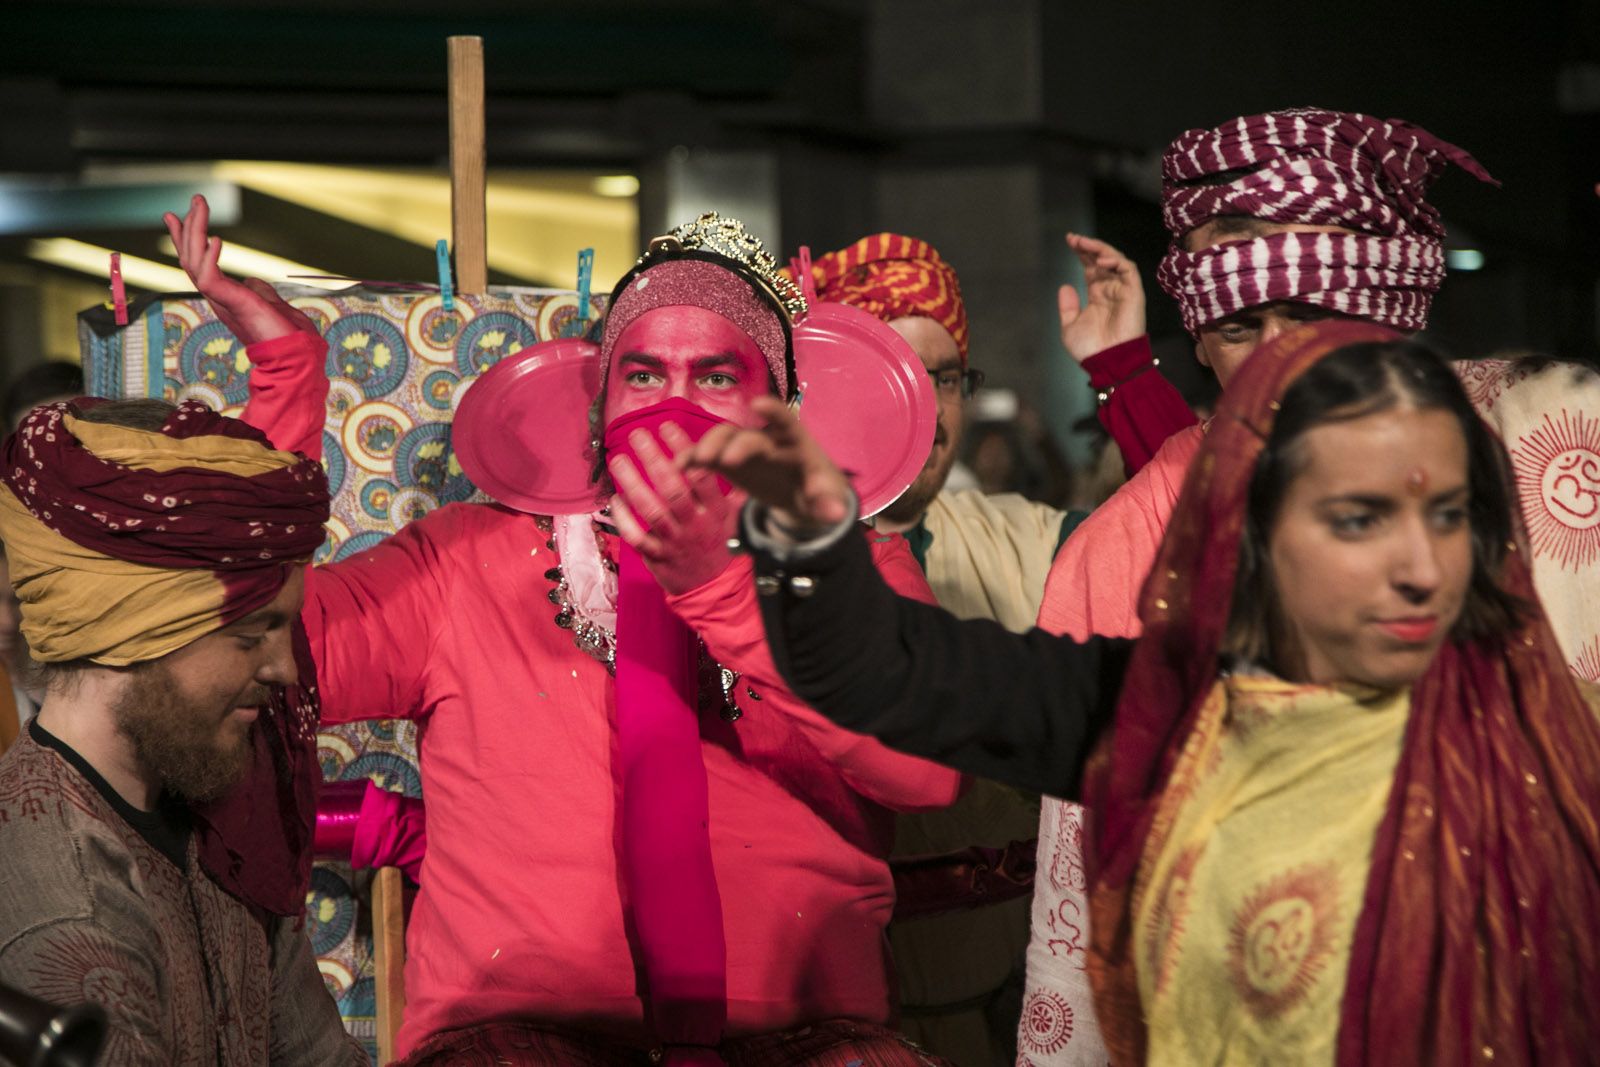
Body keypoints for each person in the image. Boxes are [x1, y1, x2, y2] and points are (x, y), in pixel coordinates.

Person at [632, 318, 1600, 1065]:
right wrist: (806, 555)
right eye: (1349, 518)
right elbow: (917, 677)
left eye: (1440, 515)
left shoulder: (1553, 751)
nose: (1407, 563)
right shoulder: (1183, 712)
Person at [164, 195, 964, 1066]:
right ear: (596, 406)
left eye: (717, 377)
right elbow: (252, 643)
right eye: (645, 374)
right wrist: (285, 382)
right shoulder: (467, 558)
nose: (675, 405)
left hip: (805, 1039)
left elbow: (926, 765)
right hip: (516, 1037)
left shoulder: (855, 568)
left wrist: (724, 590)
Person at [1022, 109, 1497, 1061]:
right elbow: (1082, 902)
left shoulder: (1526, 485)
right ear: (1200, 340)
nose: (1283, 357)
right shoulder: (1120, 553)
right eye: (1243, 326)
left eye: (1313, 316)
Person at [787, 233, 1194, 1064]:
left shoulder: (1027, 539)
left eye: (946, 377)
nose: (929, 410)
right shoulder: (760, 564)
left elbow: (1198, 540)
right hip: (831, 1017)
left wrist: (1125, 374)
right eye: (896, 373)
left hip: (1017, 1005)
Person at [0, 396, 365, 1064]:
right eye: (251, 634)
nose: (285, 669)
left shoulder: (228, 820)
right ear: (130, 629)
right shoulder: (65, 906)